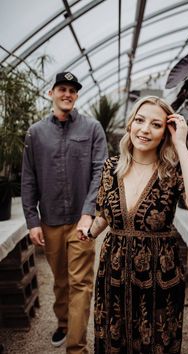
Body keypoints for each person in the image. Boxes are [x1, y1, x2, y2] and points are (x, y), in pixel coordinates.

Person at [78, 96, 188, 353]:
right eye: (139, 120)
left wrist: (181, 146)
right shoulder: (112, 167)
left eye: (155, 124)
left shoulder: (172, 170)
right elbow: (106, 213)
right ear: (130, 125)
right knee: (113, 338)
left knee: (155, 342)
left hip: (158, 275)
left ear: (165, 132)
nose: (144, 129)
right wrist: (91, 231)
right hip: (114, 273)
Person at [21, 71, 108, 354]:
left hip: (81, 223)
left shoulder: (92, 128)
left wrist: (89, 212)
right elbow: (28, 178)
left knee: (81, 283)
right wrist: (32, 222)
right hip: (50, 221)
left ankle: (76, 347)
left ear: (77, 95)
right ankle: (63, 322)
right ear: (52, 93)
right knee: (61, 282)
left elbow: (100, 172)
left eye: (72, 90)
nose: (67, 94)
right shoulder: (35, 133)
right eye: (62, 89)